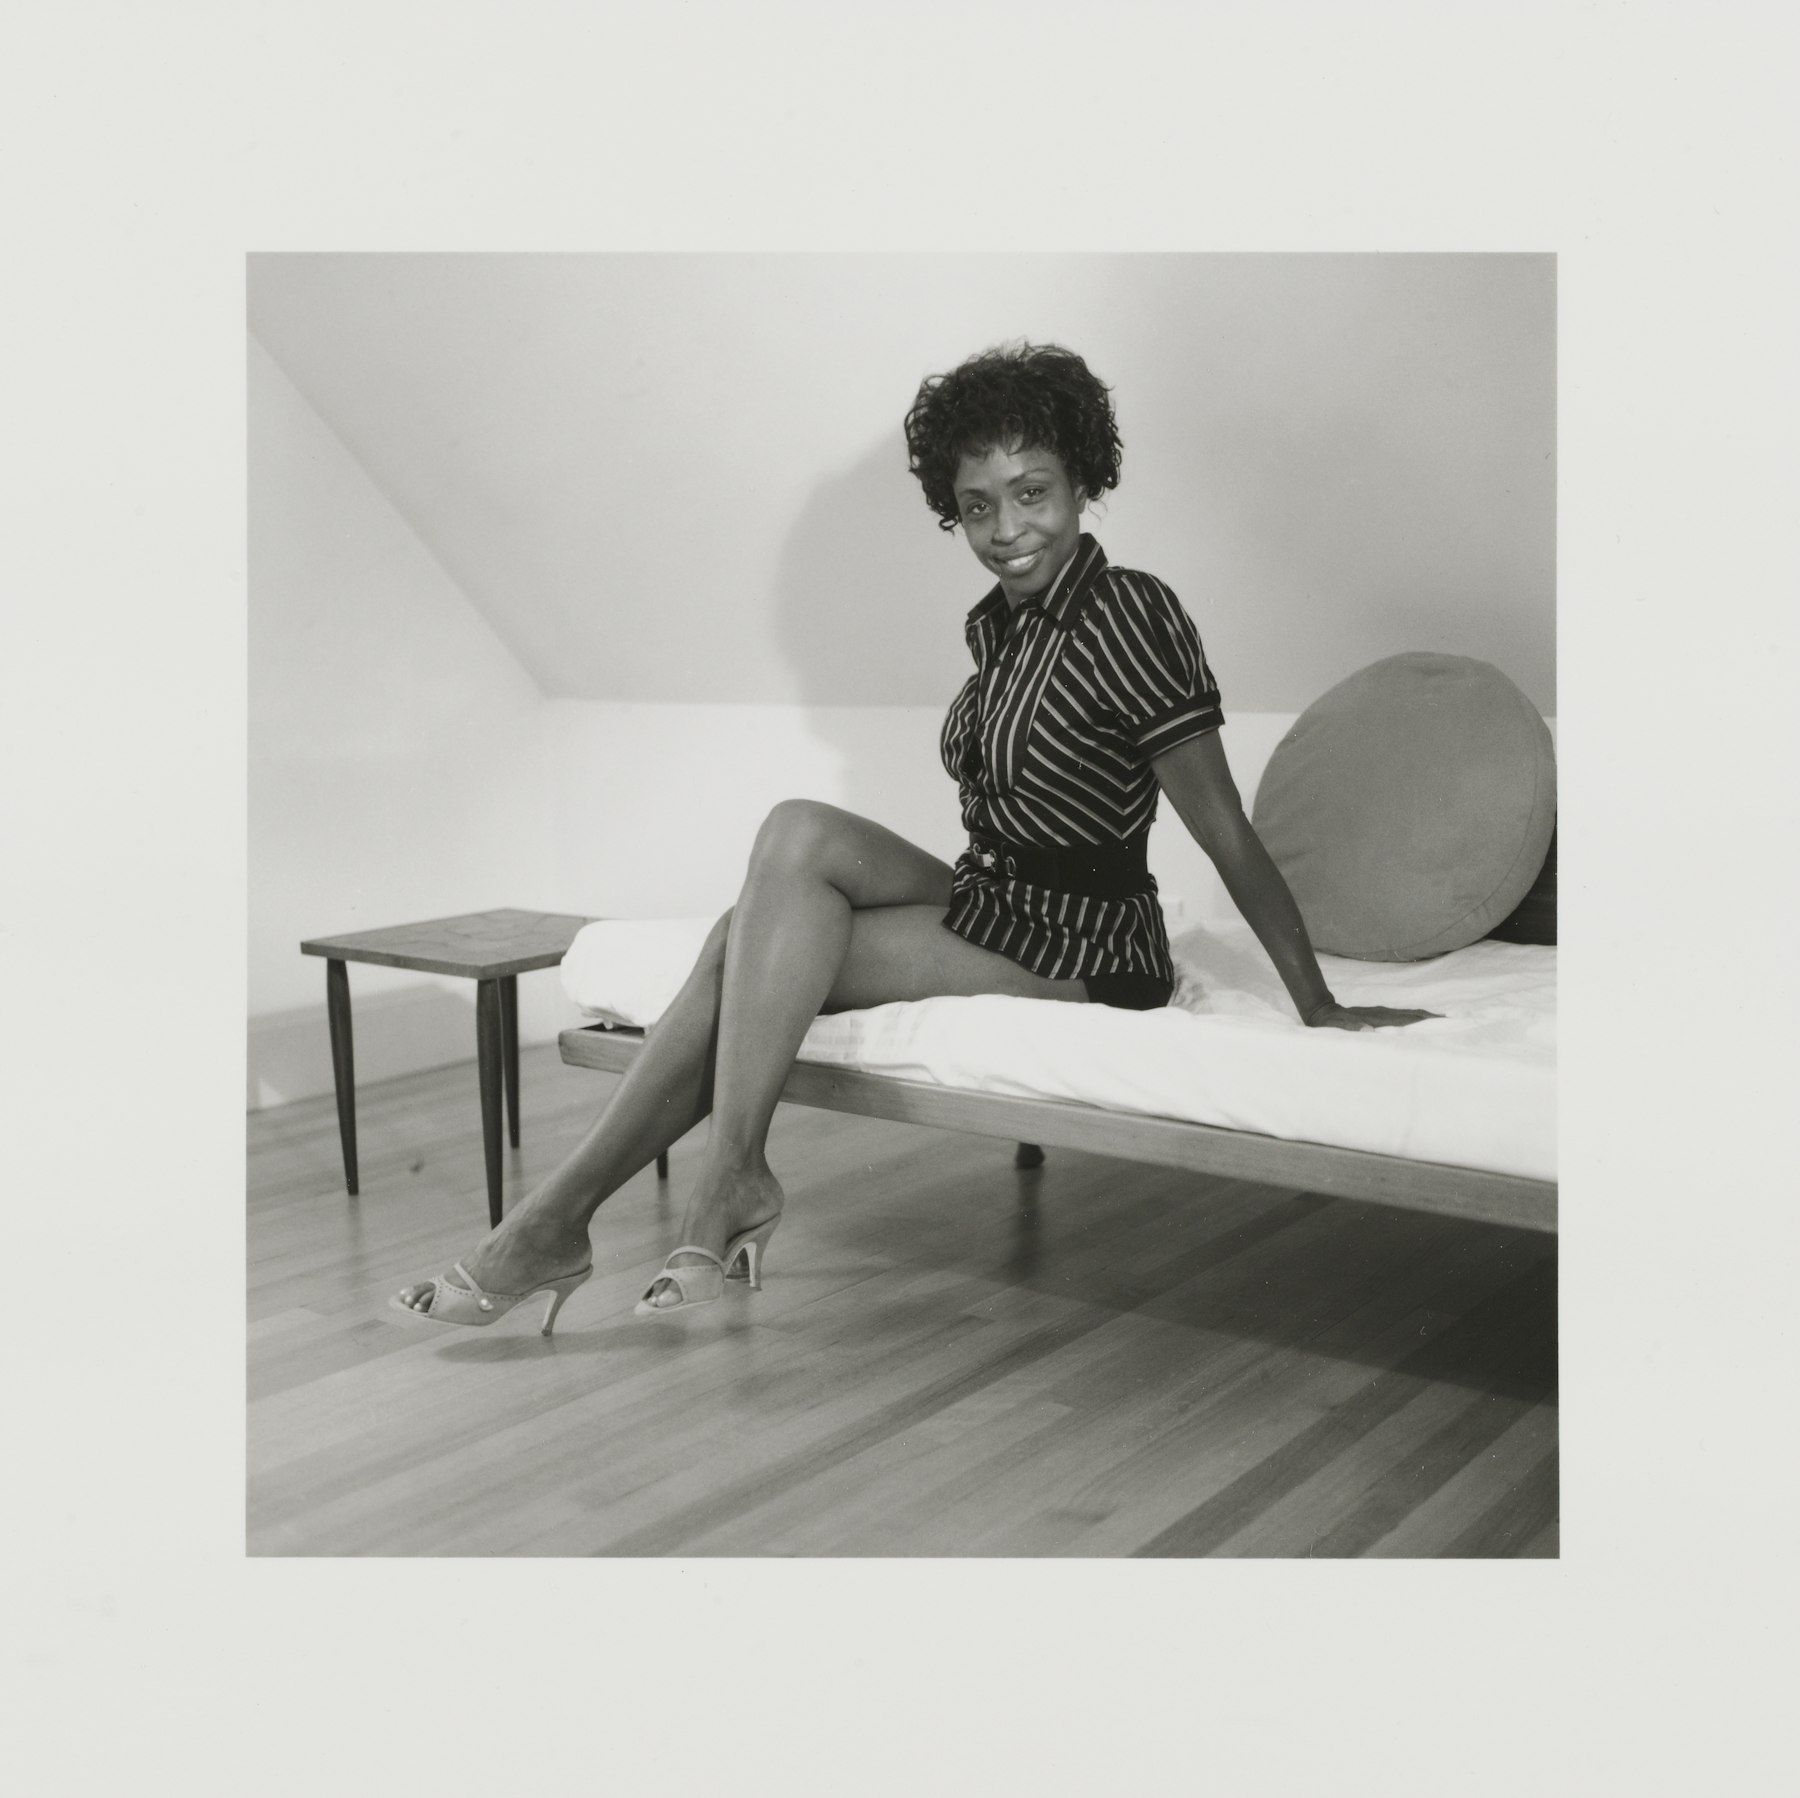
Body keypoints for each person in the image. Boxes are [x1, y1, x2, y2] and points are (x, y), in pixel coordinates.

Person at [392, 341, 1435, 1330]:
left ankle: (588, 1217)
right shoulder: (1000, 624)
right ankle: (671, 1195)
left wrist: (1318, 1001)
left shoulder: (1130, 615)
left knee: (740, 941)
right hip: (997, 898)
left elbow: (1225, 830)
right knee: (790, 841)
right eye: (977, 506)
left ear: (1082, 484)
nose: (1007, 529)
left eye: (1032, 493)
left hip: (1087, 938)